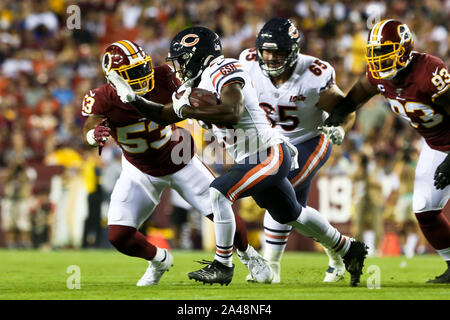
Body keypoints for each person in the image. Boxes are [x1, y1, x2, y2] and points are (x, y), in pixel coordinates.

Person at [109, 27, 369, 286]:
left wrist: (190, 110)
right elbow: (163, 115)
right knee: (292, 214)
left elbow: (233, 111)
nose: (178, 68)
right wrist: (133, 99)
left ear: (198, 56)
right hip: (251, 157)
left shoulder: (223, 68)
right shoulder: (193, 85)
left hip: (268, 152)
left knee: (218, 192)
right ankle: (348, 248)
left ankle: (223, 265)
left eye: (183, 60)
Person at [81, 40, 268, 286]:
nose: (144, 74)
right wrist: (92, 135)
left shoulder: (164, 76)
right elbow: (90, 122)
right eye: (134, 72)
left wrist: (198, 106)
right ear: (114, 77)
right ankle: (158, 259)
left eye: (143, 67)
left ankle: (250, 257)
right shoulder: (102, 97)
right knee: (118, 235)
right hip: (139, 170)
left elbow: (189, 99)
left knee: (223, 211)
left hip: (180, 159)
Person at [323, 19, 450, 283]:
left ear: (403, 49)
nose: (379, 59)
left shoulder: (430, 72)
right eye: (375, 53)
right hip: (434, 143)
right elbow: (358, 93)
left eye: (385, 51)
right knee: (425, 208)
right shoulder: (380, 77)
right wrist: (338, 114)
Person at [238, 18, 357, 283]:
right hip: (272, 143)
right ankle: (340, 254)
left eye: (277, 51)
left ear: (293, 51)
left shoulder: (313, 74)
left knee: (278, 188)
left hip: (311, 139)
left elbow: (344, 108)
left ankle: (271, 267)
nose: (269, 57)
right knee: (293, 211)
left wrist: (341, 128)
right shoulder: (247, 64)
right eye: (266, 50)